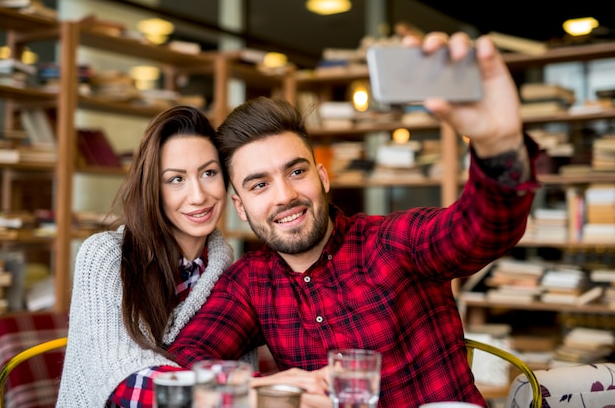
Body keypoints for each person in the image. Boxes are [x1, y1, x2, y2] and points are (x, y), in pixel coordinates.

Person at [168, 30, 540, 408]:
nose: (284, 196)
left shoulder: (391, 241)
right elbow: (182, 367)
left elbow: (483, 229)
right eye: (260, 184)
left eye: (296, 172)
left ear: (322, 177)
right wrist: (266, 388)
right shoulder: (249, 283)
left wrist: (498, 147)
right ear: (240, 206)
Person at [56, 105, 257, 407]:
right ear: (153, 188)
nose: (199, 195)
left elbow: (235, 373)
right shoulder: (105, 256)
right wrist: (250, 393)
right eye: (176, 179)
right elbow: (125, 385)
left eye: (209, 173)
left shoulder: (230, 274)